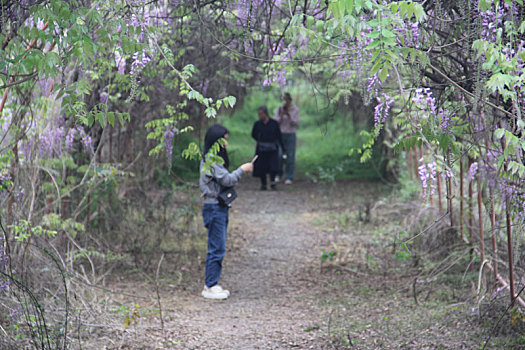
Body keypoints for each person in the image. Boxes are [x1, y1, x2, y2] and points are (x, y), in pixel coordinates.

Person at [199, 124, 253, 299]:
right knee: (217, 248)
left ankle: (212, 284)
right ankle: (210, 285)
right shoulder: (211, 159)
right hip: (214, 207)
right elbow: (228, 179)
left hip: (218, 207)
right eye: (225, 141)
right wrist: (242, 170)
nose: (227, 145)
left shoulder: (212, 159)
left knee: (218, 246)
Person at [251, 106, 285, 191]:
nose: (259, 116)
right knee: (261, 166)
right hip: (261, 147)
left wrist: (283, 148)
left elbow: (279, 136)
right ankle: (263, 184)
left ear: (265, 114)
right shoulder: (257, 124)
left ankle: (273, 182)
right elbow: (253, 134)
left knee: (273, 166)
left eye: (261, 114)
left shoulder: (274, 123)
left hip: (272, 147)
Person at [274, 92, 299, 184]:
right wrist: (281, 114)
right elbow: (276, 122)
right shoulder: (279, 109)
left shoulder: (295, 109)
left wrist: (289, 115)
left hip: (291, 134)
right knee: (279, 155)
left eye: (287, 100)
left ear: (290, 100)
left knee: (290, 156)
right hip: (280, 134)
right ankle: (278, 174)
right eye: (284, 100)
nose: (285, 102)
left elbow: (296, 123)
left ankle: (289, 176)